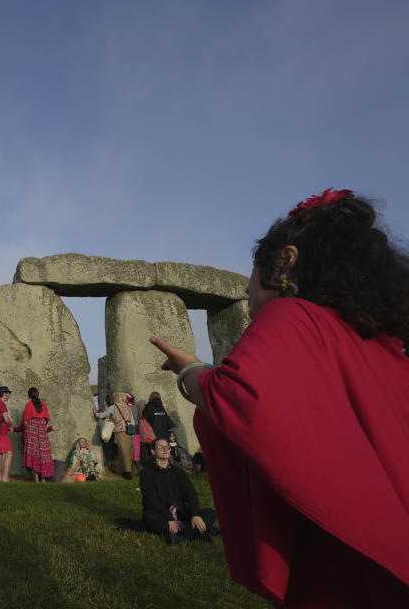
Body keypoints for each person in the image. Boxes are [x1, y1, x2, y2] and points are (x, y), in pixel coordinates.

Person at [151, 189, 409, 606]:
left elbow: (241, 399)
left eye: (251, 275)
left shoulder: (291, 315)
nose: (247, 291)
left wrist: (190, 370)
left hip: (340, 551)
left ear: (283, 263)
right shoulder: (380, 344)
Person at [140, 438, 216, 544]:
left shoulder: (178, 471)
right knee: (148, 517)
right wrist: (169, 518)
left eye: (167, 447)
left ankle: (180, 536)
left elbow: (190, 493)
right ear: (153, 451)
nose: (165, 449)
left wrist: (195, 514)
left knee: (210, 513)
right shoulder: (147, 472)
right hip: (161, 515)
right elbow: (149, 500)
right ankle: (196, 533)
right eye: (160, 447)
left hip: (181, 515)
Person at [94, 392, 135, 479]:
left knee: (123, 452)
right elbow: (132, 421)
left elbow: (103, 415)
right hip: (129, 431)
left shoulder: (114, 407)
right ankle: (129, 469)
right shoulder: (128, 407)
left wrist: (96, 413)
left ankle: (127, 472)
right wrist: (133, 433)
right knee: (129, 451)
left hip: (120, 431)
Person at [20, 387, 55, 482]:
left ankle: (36, 478)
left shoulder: (28, 405)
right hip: (42, 430)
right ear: (38, 394)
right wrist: (42, 428)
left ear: (29, 396)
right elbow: (46, 419)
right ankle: (43, 478)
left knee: (34, 453)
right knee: (43, 453)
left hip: (32, 431)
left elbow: (25, 422)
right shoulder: (43, 405)